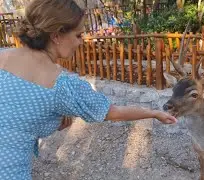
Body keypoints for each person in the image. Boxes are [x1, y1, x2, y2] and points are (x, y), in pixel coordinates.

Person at [0, 0, 177, 179]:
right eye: (78, 35)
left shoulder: (3, 56)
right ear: (56, 35)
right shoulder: (63, 86)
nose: (81, 42)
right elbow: (113, 112)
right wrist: (154, 113)